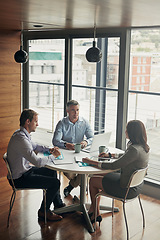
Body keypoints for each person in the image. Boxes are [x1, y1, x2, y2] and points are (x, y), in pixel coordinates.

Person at [82, 120, 149, 226]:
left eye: (127, 129)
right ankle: (94, 211)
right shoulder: (143, 147)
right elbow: (126, 157)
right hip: (136, 186)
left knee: (93, 180)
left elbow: (114, 166)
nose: (125, 131)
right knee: (96, 176)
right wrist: (110, 155)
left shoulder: (134, 150)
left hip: (125, 189)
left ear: (132, 132)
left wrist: (91, 162)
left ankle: (94, 212)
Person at [7, 109, 65, 222]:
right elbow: (38, 162)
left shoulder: (22, 135)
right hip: (20, 178)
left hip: (25, 171)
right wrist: (54, 156)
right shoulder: (21, 139)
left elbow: (36, 146)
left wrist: (49, 149)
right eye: (36, 121)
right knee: (55, 183)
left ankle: (58, 205)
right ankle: (44, 211)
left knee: (52, 172)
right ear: (28, 122)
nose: (37, 124)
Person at [52, 100, 93, 197]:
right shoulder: (61, 123)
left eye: (77, 110)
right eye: (73, 110)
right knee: (71, 175)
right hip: (66, 155)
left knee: (85, 170)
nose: (76, 113)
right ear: (67, 111)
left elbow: (92, 137)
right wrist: (66, 145)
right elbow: (55, 141)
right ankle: (80, 183)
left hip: (80, 153)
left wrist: (86, 142)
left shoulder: (84, 122)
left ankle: (70, 187)